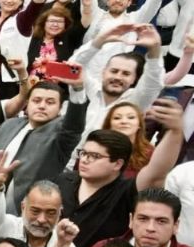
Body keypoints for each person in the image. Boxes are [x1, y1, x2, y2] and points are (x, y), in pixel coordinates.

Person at [0, 79, 87, 215]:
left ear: (60, 109)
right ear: (27, 104)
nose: (42, 106)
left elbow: (74, 126)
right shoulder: (10, 124)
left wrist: (78, 89)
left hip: (29, 215)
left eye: (50, 102)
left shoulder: (60, 134)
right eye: (36, 100)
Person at [67, 23, 165, 169]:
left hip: (98, 170)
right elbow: (72, 68)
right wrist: (100, 40)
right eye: (114, 71)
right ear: (103, 72)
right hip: (64, 160)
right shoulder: (90, 89)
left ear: (134, 79)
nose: (118, 77)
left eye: (126, 74)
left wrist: (155, 49)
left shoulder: (136, 102)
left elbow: (153, 83)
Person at [0, 157, 80, 247]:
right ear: (23, 207)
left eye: (50, 213)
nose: (42, 219)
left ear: (60, 212)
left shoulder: (66, 246)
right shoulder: (3, 226)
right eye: (35, 211)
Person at [56, 129, 139, 247]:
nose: (84, 160)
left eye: (95, 156)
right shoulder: (63, 181)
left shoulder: (127, 192)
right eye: (83, 153)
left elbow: (155, 174)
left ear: (117, 164)